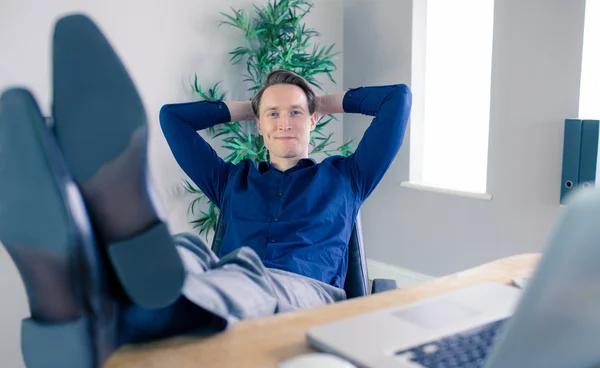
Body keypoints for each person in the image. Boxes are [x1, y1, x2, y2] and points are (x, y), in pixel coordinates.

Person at [0, 14, 411, 368]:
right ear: (260, 125)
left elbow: (398, 99)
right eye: (273, 114)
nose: (285, 122)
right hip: (226, 278)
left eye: (295, 113)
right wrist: (249, 106)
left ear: (313, 120)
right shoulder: (232, 180)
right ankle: (98, 291)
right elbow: (172, 120)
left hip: (306, 296)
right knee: (183, 252)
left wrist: (322, 102)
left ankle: (74, 304)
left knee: (242, 280)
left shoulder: (348, 176)